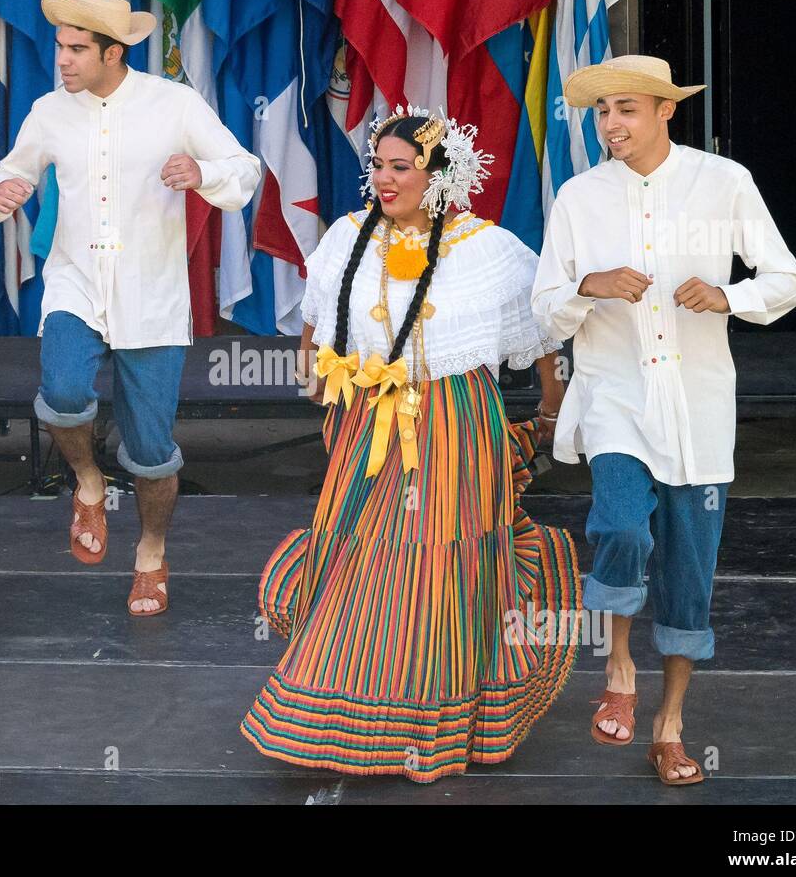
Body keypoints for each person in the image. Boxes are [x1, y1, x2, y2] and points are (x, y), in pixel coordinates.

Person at [240, 106, 580, 783]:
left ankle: (436, 725)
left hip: (457, 422)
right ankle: (350, 711)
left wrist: (549, 411)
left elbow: (541, 331)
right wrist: (314, 375)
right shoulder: (346, 236)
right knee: (364, 559)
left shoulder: (488, 249)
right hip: (368, 419)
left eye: (402, 167)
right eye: (379, 165)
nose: (385, 178)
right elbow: (315, 316)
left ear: (438, 175)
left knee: (442, 563)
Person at [532, 55, 796, 785]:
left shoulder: (724, 183)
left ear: (666, 111)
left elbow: (788, 278)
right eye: (602, 112)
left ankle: (670, 724)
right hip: (616, 395)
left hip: (699, 407)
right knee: (621, 524)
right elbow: (542, 304)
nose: (612, 125)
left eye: (627, 109)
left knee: (689, 573)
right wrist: (588, 285)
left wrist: (729, 297)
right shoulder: (579, 196)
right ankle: (619, 668)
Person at [0, 0, 260, 616]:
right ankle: (85, 479)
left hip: (153, 297)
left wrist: (202, 174)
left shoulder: (175, 104)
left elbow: (243, 171)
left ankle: (152, 552)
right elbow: (6, 171)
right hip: (75, 282)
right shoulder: (50, 111)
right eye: (60, 46)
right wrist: (2, 193)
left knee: (153, 452)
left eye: (77, 49)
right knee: (64, 392)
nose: (64, 60)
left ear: (113, 52)